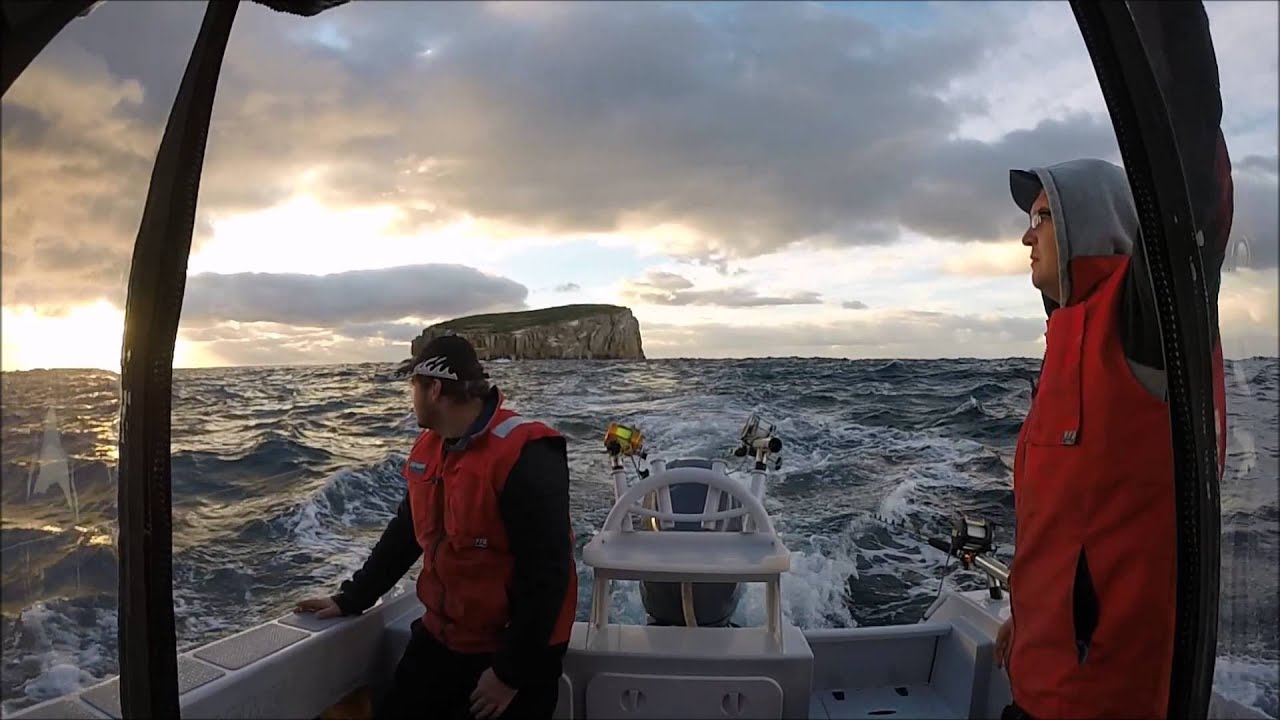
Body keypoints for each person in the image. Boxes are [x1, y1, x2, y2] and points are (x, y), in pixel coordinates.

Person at [995, 6, 1233, 719]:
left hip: (1103, 703)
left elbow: (1188, 150)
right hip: (1035, 685)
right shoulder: (1064, 342)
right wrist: (1028, 621)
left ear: (1087, 222)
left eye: (1040, 216)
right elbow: (1069, 531)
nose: (1025, 237)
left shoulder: (1146, 322)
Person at [294, 334, 578, 720]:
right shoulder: (430, 448)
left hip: (509, 655)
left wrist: (509, 674)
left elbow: (548, 574)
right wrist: (351, 599)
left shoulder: (524, 453)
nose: (410, 397)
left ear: (434, 389)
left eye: (413, 385)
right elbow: (406, 532)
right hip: (443, 640)